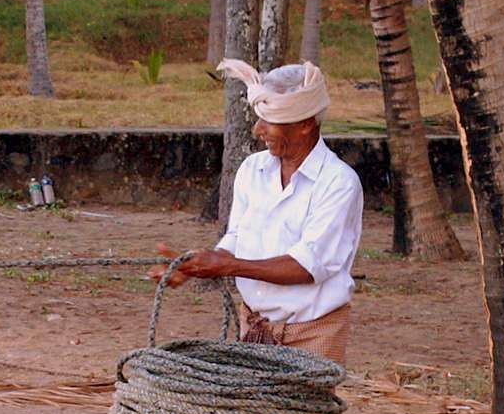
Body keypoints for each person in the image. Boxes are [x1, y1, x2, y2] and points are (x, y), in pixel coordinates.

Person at [149, 59, 363, 367]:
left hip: (313, 334)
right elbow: (238, 236)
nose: (257, 129)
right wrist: (197, 264)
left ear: (305, 123)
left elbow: (305, 267)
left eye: (268, 120)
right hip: (253, 326)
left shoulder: (338, 183)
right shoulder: (252, 169)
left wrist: (226, 265)